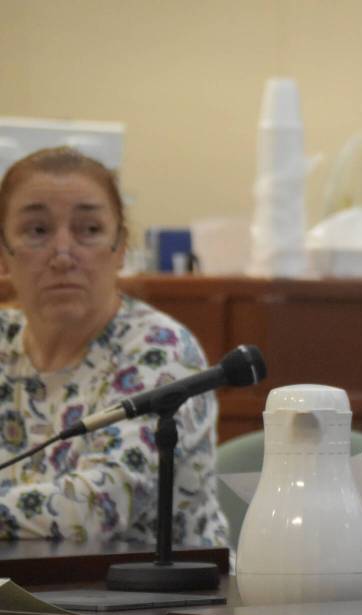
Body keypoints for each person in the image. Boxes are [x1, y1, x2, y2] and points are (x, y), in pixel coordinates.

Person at [0, 146, 227, 546]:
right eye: (37, 231)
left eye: (88, 230)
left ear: (120, 248)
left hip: (165, 601)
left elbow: (94, 509)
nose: (63, 254)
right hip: (28, 595)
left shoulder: (161, 351)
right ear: (4, 253)